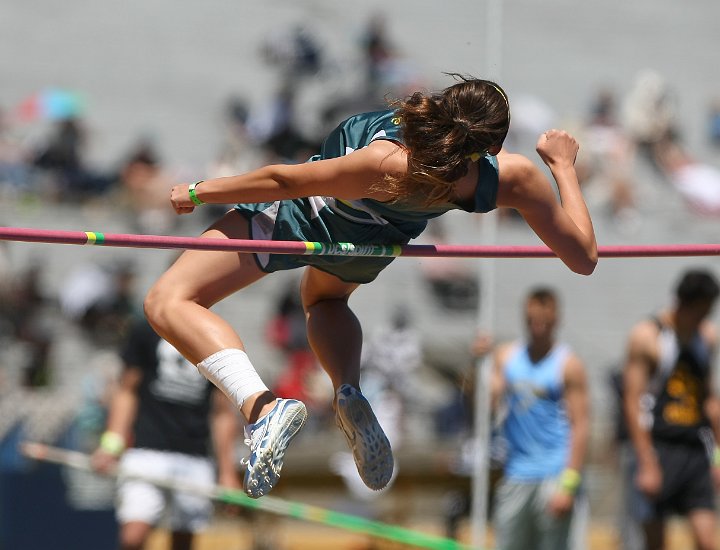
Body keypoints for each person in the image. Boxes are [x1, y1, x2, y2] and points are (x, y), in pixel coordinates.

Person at [143, 73, 598, 499]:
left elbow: (285, 180)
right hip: (369, 247)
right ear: (490, 146)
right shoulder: (509, 177)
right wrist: (562, 166)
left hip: (306, 219)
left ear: (446, 102)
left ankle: (261, 409)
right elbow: (583, 258)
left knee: (168, 300)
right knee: (324, 301)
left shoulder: (387, 159)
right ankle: (348, 389)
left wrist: (200, 191)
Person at [91, 316, 241, 550]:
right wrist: (112, 443)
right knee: (132, 538)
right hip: (147, 449)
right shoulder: (146, 331)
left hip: (195, 455)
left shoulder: (216, 336)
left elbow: (222, 412)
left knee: (183, 541)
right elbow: (126, 391)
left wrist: (227, 473)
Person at [622, 269, 720, 550]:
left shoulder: (706, 337)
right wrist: (646, 462)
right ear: (682, 304)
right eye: (700, 312)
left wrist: (718, 457)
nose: (703, 319)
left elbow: (710, 400)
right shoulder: (647, 337)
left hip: (694, 449)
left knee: (707, 541)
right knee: (656, 544)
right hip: (658, 446)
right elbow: (632, 401)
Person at [490, 287, 590, 550]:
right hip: (517, 472)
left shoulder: (568, 364)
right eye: (532, 321)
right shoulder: (506, 357)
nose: (538, 328)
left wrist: (569, 483)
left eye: (544, 322)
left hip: (554, 473)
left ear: (556, 320)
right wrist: (479, 363)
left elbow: (580, 426)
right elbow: (487, 404)